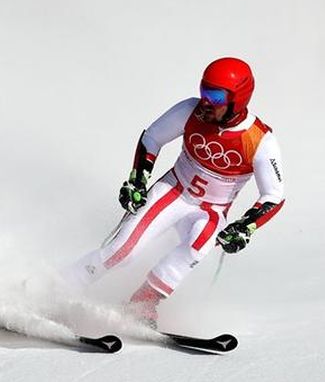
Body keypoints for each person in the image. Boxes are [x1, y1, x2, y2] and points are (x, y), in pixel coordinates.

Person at [62, 57, 285, 328]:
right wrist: (138, 180)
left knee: (200, 244)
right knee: (123, 251)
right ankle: (60, 288)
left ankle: (141, 304)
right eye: (204, 91)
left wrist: (245, 227)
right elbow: (152, 137)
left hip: (211, 210)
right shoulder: (190, 111)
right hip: (173, 192)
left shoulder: (259, 140)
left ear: (237, 100)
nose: (205, 101)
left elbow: (274, 195)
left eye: (214, 96)